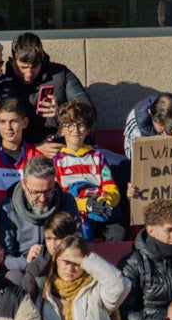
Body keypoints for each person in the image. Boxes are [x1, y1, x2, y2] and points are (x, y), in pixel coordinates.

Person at [51, 100, 124, 241]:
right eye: (69, 125)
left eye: (80, 125)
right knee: (82, 232)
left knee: (118, 233)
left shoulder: (98, 157)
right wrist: (85, 205)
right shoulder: (57, 161)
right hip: (75, 213)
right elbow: (58, 197)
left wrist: (105, 202)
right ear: (61, 130)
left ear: (88, 129)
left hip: (100, 209)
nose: (75, 130)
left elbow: (111, 187)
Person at [0, 156, 79, 276]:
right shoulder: (6, 208)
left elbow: (79, 242)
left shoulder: (67, 202)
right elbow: (4, 256)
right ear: (23, 184)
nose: (43, 199)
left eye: (49, 191)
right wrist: (25, 261)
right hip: (23, 269)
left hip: (61, 265)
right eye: (36, 192)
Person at [5, 31, 91, 148]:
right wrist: (35, 149)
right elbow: (0, 129)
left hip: (63, 145)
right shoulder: (4, 83)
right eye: (23, 68)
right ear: (12, 61)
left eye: (34, 67)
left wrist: (60, 113)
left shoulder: (60, 74)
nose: (29, 74)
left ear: (42, 59)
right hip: (21, 150)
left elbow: (88, 112)